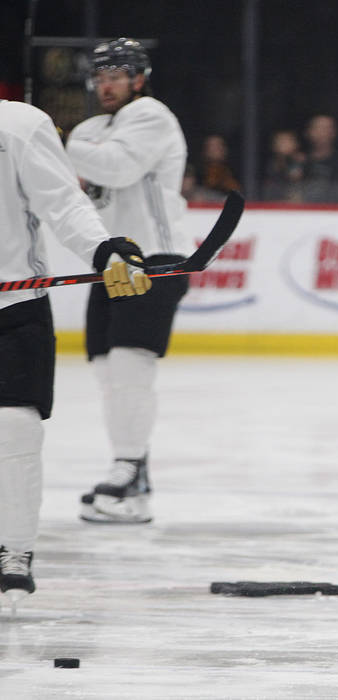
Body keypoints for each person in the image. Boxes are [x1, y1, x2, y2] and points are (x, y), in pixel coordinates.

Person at [0, 99, 150, 607]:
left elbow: (63, 202)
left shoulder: (19, 124)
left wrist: (103, 249)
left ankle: (13, 552)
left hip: (12, 305)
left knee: (16, 428)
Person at [66, 37, 194, 524]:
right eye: (101, 76)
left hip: (156, 258)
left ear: (139, 78)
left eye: (117, 74)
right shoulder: (94, 129)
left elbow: (116, 167)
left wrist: (66, 146)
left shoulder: (152, 116)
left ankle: (128, 468)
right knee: (106, 370)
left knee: (128, 365)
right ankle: (131, 472)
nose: (107, 84)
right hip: (112, 263)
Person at [301, 113, 338, 203]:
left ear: (334, 132)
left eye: (326, 128)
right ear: (308, 132)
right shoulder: (300, 161)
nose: (322, 133)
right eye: (318, 128)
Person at [262, 129, 305, 202]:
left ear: (296, 144)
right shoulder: (267, 168)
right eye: (280, 141)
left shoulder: (305, 164)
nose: (284, 144)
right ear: (273, 145)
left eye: (288, 141)